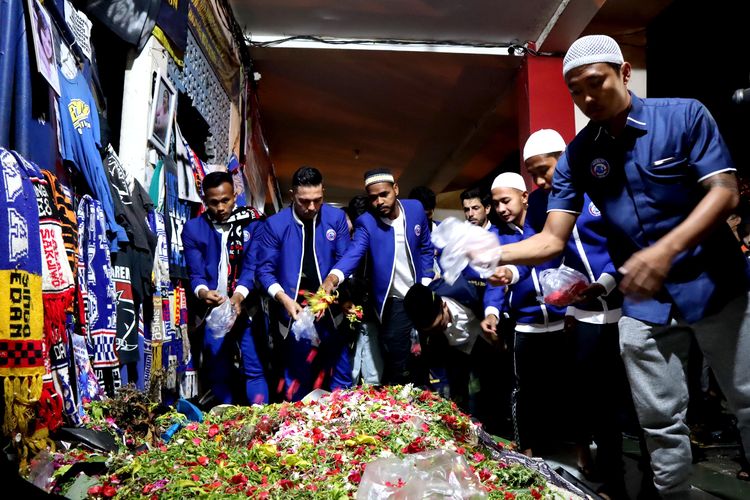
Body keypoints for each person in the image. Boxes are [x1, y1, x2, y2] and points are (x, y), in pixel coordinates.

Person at [492, 35, 750, 497]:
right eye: (575, 91)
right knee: (657, 419)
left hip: (714, 286)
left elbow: (725, 191)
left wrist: (663, 251)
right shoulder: (578, 155)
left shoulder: (684, 115)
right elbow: (552, 239)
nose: (587, 98)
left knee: (747, 400)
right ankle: (672, 495)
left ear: (625, 72)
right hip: (644, 302)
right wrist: (489, 253)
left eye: (596, 83)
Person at [524, 128, 631, 498]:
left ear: (565, 158)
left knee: (632, 404)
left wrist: (604, 283)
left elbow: (626, 243)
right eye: (532, 174)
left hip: (626, 306)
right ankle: (613, 482)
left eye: (545, 169)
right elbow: (542, 254)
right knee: (598, 403)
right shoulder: (539, 204)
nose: (540, 181)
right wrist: (559, 296)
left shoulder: (598, 185)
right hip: (584, 314)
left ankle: (654, 482)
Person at [480, 172, 568, 458]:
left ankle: (575, 446)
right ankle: (526, 451)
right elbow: (496, 281)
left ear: (524, 197)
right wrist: (492, 311)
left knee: (567, 387)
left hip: (563, 319)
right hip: (526, 325)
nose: (501, 208)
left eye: (506, 201)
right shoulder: (496, 236)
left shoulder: (546, 224)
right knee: (524, 392)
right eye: (496, 204)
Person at [322, 168, 435, 386]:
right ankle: (397, 409)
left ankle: (427, 405)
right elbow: (353, 253)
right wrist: (333, 278)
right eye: (373, 197)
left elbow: (426, 248)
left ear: (396, 189)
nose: (379, 201)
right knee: (397, 361)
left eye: (384, 194)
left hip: (422, 294)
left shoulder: (415, 209)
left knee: (426, 358)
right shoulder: (367, 222)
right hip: (393, 303)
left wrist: (426, 282)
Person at [256, 166, 352, 401]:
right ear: (292, 195)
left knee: (341, 377)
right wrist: (284, 299)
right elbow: (264, 271)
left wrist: (333, 286)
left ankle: (344, 430)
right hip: (294, 313)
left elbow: (346, 260)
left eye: (317, 200)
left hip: (331, 309)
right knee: (299, 379)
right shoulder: (275, 225)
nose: (311, 207)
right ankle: (300, 432)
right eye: (304, 201)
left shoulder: (336, 218)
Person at [181, 171, 268, 405]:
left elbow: (252, 267)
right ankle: (227, 425)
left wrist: (238, 297)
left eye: (225, 200)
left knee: (255, 367)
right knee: (219, 371)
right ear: (204, 201)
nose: (220, 207)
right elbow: (196, 273)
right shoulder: (193, 229)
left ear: (235, 195)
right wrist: (203, 292)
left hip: (246, 306)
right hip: (213, 311)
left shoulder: (254, 223)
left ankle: (261, 422)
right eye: (213, 202)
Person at [404, 282, 491, 411]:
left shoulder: (469, 293)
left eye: (440, 324)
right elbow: (434, 364)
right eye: (431, 330)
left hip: (486, 343)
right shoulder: (423, 319)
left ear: (444, 306)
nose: (437, 330)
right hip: (455, 354)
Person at [339, 195, 384, 385]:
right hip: (348, 309)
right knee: (351, 361)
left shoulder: (380, 240)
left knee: (372, 359)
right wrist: (343, 299)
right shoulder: (344, 243)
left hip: (373, 310)